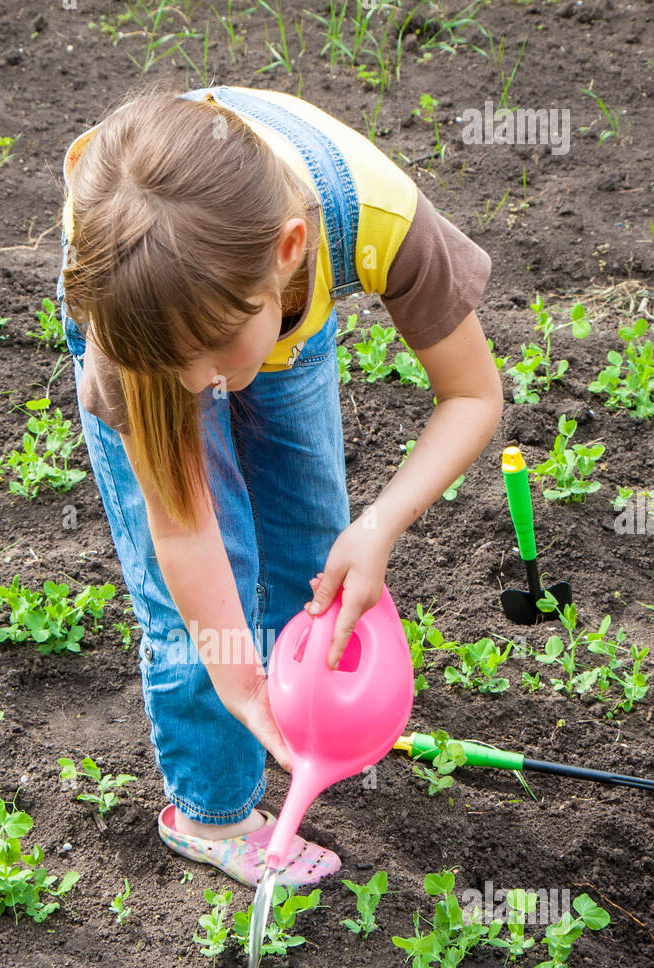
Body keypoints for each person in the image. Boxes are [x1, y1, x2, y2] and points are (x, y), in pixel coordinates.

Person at [57, 82, 503, 889]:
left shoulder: (380, 221)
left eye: (218, 351)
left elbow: (474, 395)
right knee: (196, 595)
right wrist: (236, 678)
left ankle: (309, 729)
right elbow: (185, 529)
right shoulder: (139, 327)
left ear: (291, 249)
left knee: (314, 547)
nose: (203, 388)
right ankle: (212, 812)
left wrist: (380, 525)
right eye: (181, 370)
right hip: (150, 307)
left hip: (271, 310)